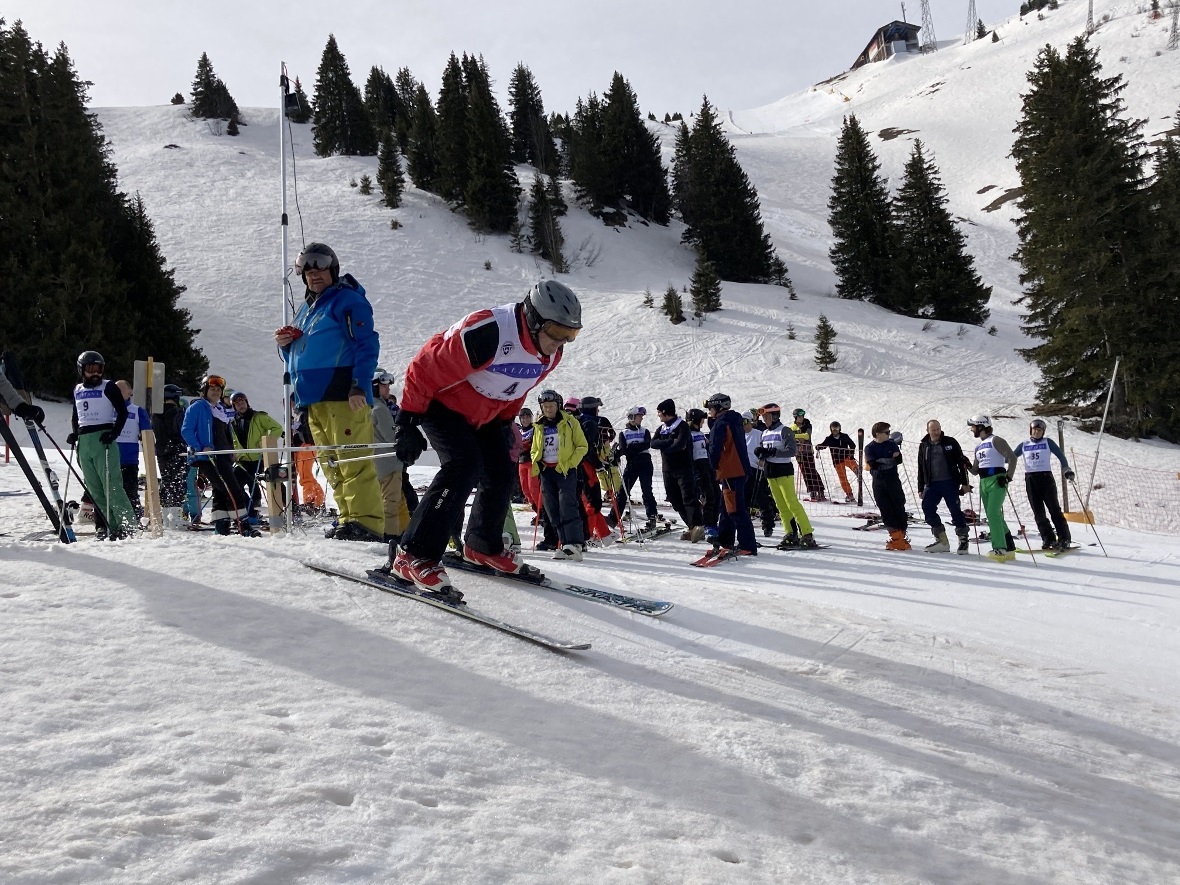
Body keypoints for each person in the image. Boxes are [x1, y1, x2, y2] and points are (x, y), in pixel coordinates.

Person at [385, 280, 580, 592]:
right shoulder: (490, 332)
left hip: (485, 411)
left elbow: (517, 387)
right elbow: (424, 369)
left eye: (570, 335)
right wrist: (407, 421)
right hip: (441, 402)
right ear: (533, 319)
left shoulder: (549, 355)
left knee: (502, 472)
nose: (561, 343)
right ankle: (413, 554)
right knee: (463, 466)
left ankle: (482, 545)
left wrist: (504, 425)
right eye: (557, 332)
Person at [275, 242, 384, 543]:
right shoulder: (307, 308)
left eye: (320, 266)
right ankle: (349, 518)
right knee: (330, 463)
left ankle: (367, 523)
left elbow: (367, 344)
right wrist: (285, 345)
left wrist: (359, 384)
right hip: (314, 399)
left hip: (343, 395)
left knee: (352, 460)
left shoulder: (347, 301)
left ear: (333, 268)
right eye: (307, 270)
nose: (314, 274)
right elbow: (298, 356)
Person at [67, 352, 138, 540]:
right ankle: (107, 525)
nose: (95, 373)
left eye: (98, 369)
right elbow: (76, 415)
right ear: (82, 370)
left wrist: (114, 433)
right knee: (95, 489)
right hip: (85, 442)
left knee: (112, 486)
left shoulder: (109, 387)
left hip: (103, 440)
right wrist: (75, 433)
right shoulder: (78, 389)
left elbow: (122, 412)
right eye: (90, 369)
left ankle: (127, 526)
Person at [181, 374, 257, 537]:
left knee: (221, 490)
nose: (215, 392)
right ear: (205, 390)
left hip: (223, 455)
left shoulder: (219, 409)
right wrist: (200, 447)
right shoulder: (197, 407)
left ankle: (221, 526)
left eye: (218, 389)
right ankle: (243, 525)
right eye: (212, 389)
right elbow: (186, 430)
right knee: (232, 488)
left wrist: (231, 451)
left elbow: (225, 434)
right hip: (208, 457)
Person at [530, 388, 589, 559]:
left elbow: (582, 446)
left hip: (564, 470)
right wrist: (537, 460)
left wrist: (570, 464)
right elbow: (535, 447)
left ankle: (575, 543)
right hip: (546, 470)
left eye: (551, 406)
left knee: (567, 506)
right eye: (545, 406)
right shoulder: (539, 425)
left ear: (558, 405)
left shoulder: (570, 422)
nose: (548, 409)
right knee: (552, 509)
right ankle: (564, 543)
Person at [755, 404, 818, 548]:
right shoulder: (764, 433)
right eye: (763, 417)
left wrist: (772, 452)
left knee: (792, 503)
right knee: (781, 506)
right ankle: (790, 532)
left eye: (766, 417)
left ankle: (807, 533)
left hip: (783, 471)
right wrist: (761, 454)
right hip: (770, 472)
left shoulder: (785, 430)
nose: (764, 420)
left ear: (774, 416)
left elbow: (791, 451)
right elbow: (764, 452)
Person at [705, 392, 757, 555]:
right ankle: (726, 540)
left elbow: (715, 449)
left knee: (735, 509)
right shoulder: (735, 420)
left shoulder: (721, 424)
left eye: (711, 408)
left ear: (718, 407)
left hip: (731, 470)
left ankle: (747, 545)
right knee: (726, 508)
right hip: (738, 468)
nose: (709, 411)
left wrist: (712, 465)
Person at [1013, 418, 1075, 551]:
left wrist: (1066, 469)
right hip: (1030, 479)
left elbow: (1061, 456)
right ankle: (1048, 538)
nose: (1037, 432)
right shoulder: (1024, 444)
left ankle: (1064, 538)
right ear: (1031, 430)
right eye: (1035, 429)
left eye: (1039, 430)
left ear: (1043, 431)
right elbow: (1011, 457)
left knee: (1054, 509)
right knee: (1038, 512)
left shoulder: (1048, 442)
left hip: (1046, 478)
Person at [965, 414, 1019, 562]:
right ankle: (1009, 545)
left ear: (981, 426)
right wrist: (966, 464)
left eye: (973, 426)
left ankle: (999, 548)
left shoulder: (996, 440)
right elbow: (975, 471)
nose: (971, 429)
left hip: (997, 480)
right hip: (984, 482)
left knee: (993, 512)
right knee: (993, 515)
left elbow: (1012, 458)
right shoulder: (978, 446)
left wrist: (1008, 477)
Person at [650, 399, 704, 541]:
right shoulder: (662, 429)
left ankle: (697, 526)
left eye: (659, 412)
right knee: (674, 499)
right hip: (668, 470)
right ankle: (691, 526)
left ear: (665, 412)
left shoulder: (682, 426)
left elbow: (679, 444)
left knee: (688, 498)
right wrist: (668, 442)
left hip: (683, 468)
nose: (658, 415)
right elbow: (653, 443)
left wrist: (666, 446)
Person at [916, 419, 971, 554]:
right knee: (927, 508)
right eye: (933, 430)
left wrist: (965, 483)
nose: (936, 432)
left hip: (950, 482)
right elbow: (920, 467)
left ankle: (963, 540)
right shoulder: (924, 445)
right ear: (927, 430)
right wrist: (920, 487)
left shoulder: (950, 442)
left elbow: (961, 463)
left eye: (938, 429)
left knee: (955, 510)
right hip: (932, 484)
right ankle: (942, 540)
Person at [229, 391, 285, 523]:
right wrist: (235, 452)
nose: (241, 406)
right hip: (244, 460)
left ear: (247, 402)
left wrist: (267, 442)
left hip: (260, 457)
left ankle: (291, 510)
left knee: (274, 481)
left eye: (242, 402)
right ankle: (251, 514)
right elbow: (235, 441)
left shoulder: (259, 417)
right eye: (237, 404)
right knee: (234, 484)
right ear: (234, 407)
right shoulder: (233, 422)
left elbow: (277, 428)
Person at [370, 369, 407, 543]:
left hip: (377, 463)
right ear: (374, 386)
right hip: (389, 464)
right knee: (391, 502)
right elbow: (392, 438)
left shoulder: (368, 406)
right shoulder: (380, 409)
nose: (388, 389)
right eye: (383, 385)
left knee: (395, 500)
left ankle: (401, 533)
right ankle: (391, 537)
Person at [612, 405, 660, 530]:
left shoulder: (645, 431)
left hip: (645, 463)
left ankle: (652, 516)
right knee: (623, 492)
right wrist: (624, 452)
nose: (641, 419)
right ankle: (613, 518)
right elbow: (623, 449)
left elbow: (646, 445)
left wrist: (631, 448)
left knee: (646, 490)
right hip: (632, 464)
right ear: (632, 417)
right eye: (639, 416)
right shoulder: (624, 433)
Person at [865, 421, 909, 550]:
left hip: (893, 480)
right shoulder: (870, 447)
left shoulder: (891, 444)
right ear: (878, 434)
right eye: (887, 432)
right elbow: (873, 464)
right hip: (878, 481)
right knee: (885, 508)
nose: (889, 435)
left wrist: (884, 461)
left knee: (898, 505)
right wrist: (889, 460)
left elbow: (898, 460)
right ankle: (896, 537)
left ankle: (901, 536)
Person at [113, 380, 152, 518]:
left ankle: (135, 519)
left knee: (130, 493)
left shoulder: (137, 411)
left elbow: (148, 436)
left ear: (130, 392)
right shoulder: (108, 410)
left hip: (129, 461)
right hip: (109, 460)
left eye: (121, 390)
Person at [152, 384, 188, 529]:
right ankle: (175, 518)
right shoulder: (177, 413)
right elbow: (181, 432)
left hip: (161, 453)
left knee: (166, 482)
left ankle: (166, 517)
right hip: (177, 451)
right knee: (178, 483)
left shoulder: (155, 415)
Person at [686, 408, 720, 541]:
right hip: (698, 468)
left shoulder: (699, 433)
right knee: (709, 497)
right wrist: (695, 474)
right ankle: (708, 525)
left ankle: (714, 523)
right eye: (701, 420)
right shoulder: (688, 435)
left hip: (707, 466)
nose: (703, 422)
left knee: (717, 494)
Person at [815, 421, 859, 503]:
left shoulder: (844, 436)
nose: (835, 430)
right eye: (833, 428)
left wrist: (851, 453)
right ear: (831, 429)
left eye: (837, 428)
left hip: (846, 456)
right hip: (837, 461)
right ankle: (849, 494)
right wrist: (819, 447)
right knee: (843, 478)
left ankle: (856, 470)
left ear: (839, 429)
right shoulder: (829, 439)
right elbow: (824, 445)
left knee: (851, 462)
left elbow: (852, 445)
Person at [791, 408, 827, 502]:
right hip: (799, 453)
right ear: (795, 417)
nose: (801, 418)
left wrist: (797, 437)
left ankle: (820, 490)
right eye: (799, 416)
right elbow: (790, 436)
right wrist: (799, 437)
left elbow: (807, 436)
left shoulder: (808, 425)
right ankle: (812, 492)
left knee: (812, 471)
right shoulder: (792, 428)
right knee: (805, 472)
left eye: (802, 416)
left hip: (808, 452)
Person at [515, 407, 542, 518]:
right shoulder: (519, 431)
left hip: (532, 462)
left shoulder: (535, 429)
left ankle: (542, 512)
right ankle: (538, 511)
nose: (525, 420)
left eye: (527, 417)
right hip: (521, 462)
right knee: (525, 490)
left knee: (533, 489)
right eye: (523, 418)